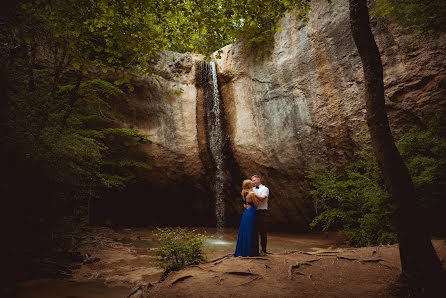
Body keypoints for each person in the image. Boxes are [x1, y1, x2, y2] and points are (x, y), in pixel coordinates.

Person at [234, 179, 263, 257]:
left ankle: (243, 251)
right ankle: (251, 252)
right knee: (251, 230)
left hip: (246, 213)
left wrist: (245, 205)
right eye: (251, 184)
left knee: (245, 230)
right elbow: (256, 205)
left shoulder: (243, 193)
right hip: (251, 212)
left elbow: (245, 203)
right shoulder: (252, 194)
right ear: (249, 186)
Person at [252, 175, 269, 255]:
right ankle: (255, 250)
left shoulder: (265, 189)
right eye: (252, 180)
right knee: (254, 231)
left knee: (263, 231)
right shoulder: (252, 189)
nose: (253, 182)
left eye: (254, 180)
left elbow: (262, 199)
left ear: (259, 180)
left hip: (262, 212)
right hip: (253, 212)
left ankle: (263, 250)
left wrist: (253, 193)